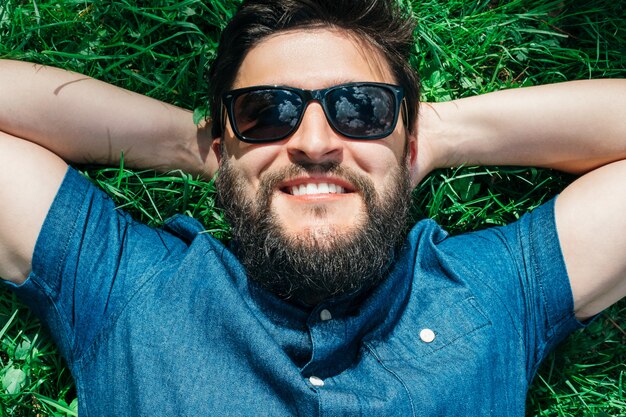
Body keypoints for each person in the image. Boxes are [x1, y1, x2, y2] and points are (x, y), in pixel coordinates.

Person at [0, 0, 625, 415]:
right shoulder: (127, 288)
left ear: (407, 145)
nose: (317, 143)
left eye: (363, 109)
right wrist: (190, 145)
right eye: (265, 112)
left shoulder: (490, 292)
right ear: (224, 146)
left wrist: (437, 134)